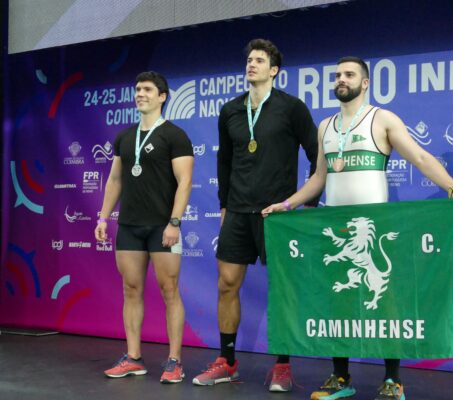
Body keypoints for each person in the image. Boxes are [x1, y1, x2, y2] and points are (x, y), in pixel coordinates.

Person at [262, 57, 453, 400]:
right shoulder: (325, 126)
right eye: (337, 75)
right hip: (338, 225)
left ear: (365, 83)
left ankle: (392, 380)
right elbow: (319, 178)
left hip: (375, 225)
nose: (341, 80)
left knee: (386, 303)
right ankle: (340, 378)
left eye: (349, 75)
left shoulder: (382, 119)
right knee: (339, 301)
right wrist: (286, 205)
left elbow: (420, 158)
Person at [192, 39, 319, 391]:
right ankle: (227, 361)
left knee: (282, 290)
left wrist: (307, 203)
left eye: (259, 60)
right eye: (249, 59)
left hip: (277, 213)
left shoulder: (291, 108)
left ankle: (282, 365)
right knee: (226, 284)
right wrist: (223, 204)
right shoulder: (231, 110)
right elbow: (224, 161)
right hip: (237, 210)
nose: (251, 64)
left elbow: (317, 154)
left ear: (274, 70)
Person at [95, 71, 194, 384]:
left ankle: (175, 361)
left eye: (148, 90)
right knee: (131, 289)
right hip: (129, 226)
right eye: (138, 89)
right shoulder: (125, 137)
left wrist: (174, 222)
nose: (141, 94)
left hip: (163, 226)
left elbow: (185, 182)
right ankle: (134, 357)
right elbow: (115, 180)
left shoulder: (175, 135)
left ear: (162, 96)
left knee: (169, 290)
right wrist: (102, 217)